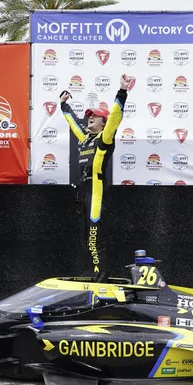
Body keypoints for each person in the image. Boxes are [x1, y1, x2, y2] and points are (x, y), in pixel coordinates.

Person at [60, 74, 133, 282]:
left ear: (103, 121)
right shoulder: (85, 139)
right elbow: (73, 123)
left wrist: (122, 91)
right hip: (83, 193)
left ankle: (102, 274)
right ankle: (96, 273)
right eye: (89, 114)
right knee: (86, 239)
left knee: (94, 238)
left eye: (95, 115)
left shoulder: (104, 138)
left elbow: (116, 117)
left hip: (96, 192)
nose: (90, 116)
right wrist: (64, 106)